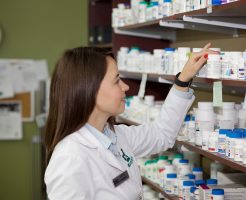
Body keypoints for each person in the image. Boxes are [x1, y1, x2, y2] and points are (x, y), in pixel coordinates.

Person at [44, 43, 216, 199]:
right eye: (116, 80)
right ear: (90, 91)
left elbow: (161, 134)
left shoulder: (115, 136)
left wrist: (183, 80)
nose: (125, 87)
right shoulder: (69, 159)